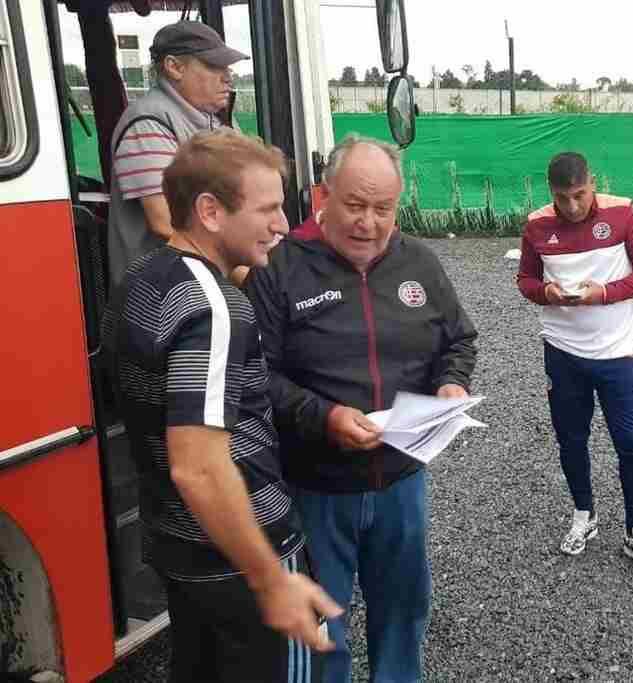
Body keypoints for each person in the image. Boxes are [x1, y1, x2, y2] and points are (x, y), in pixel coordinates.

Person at [102, 129, 340, 683]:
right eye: (269, 209)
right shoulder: (213, 310)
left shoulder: (143, 277)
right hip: (237, 551)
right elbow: (201, 465)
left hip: (179, 546)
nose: (283, 224)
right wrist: (270, 579)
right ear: (210, 211)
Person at [246, 135, 478, 683]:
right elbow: (256, 376)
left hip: (401, 478)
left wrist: (451, 385)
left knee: (403, 610)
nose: (369, 223)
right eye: (354, 205)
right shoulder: (280, 269)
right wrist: (323, 416)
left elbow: (460, 340)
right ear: (325, 193)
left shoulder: (419, 261)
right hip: (316, 486)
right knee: (324, 620)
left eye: (383, 209)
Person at [516, 152, 633, 574]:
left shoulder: (623, 214)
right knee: (571, 439)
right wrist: (545, 293)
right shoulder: (537, 224)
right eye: (563, 198)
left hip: (616, 352)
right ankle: (585, 515)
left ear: (592, 184)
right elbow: (525, 280)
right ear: (552, 193)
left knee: (632, 443)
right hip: (562, 351)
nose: (572, 207)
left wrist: (604, 293)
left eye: (580, 195)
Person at [107, 20, 247, 292]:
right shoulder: (148, 122)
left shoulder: (212, 120)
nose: (227, 77)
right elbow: (165, 222)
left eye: (227, 67)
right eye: (213, 66)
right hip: (166, 296)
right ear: (174, 67)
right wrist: (247, 274)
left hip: (203, 283)